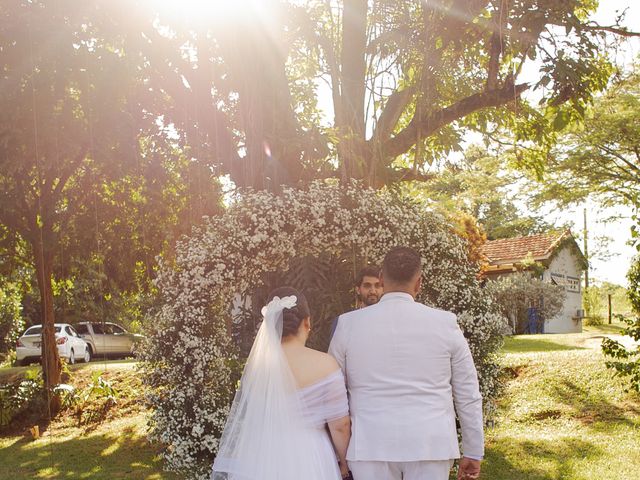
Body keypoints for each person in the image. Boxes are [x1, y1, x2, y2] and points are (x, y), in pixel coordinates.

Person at [329, 246, 484, 480]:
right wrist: (473, 449)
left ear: (381, 279)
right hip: (431, 443)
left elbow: (332, 391)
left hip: (370, 443)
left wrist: (337, 449)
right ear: (419, 282)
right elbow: (468, 393)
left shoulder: (348, 324)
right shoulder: (445, 323)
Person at [212, 287, 352, 480]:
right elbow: (340, 426)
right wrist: (345, 463)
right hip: (310, 454)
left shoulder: (257, 369)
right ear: (307, 322)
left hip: (261, 454)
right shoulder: (325, 364)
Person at [330, 266, 383, 339]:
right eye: (367, 286)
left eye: (377, 286)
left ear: (383, 289)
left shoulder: (391, 321)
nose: (373, 291)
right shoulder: (344, 323)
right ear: (358, 290)